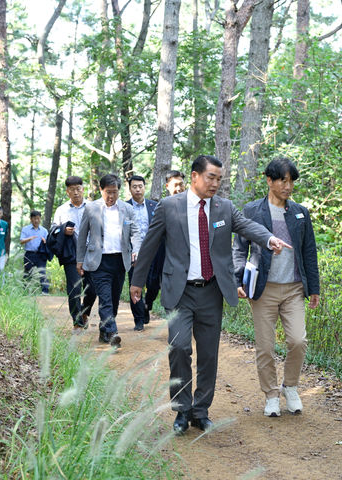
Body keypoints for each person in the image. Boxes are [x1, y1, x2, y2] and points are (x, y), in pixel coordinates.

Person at [130, 155, 292, 435]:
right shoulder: (170, 207)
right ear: (195, 176)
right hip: (180, 291)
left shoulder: (224, 208)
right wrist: (137, 281)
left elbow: (246, 226)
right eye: (210, 177)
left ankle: (200, 411)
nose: (216, 183)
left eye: (219, 178)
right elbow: (150, 244)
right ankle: (181, 410)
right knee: (179, 348)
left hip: (212, 290)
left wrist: (268, 238)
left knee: (208, 355)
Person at [232, 157, 320, 417]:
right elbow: (239, 248)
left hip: (293, 288)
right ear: (269, 180)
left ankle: (290, 387)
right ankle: (271, 395)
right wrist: (238, 280)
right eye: (283, 180)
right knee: (266, 346)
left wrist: (313, 288)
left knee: (298, 340)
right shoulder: (251, 211)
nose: (288, 185)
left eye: (291, 180)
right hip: (263, 289)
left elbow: (309, 252)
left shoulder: (300, 212)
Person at [77, 174, 141, 348]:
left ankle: (104, 330)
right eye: (108, 192)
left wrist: (136, 249)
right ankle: (112, 332)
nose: (111, 196)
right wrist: (79, 260)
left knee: (113, 299)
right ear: (101, 190)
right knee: (105, 299)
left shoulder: (127, 209)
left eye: (114, 192)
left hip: (120, 261)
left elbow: (135, 232)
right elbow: (82, 236)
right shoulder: (91, 208)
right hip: (99, 262)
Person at [53, 176, 96, 329]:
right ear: (67, 192)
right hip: (71, 254)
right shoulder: (61, 210)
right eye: (72, 190)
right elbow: (54, 230)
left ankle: (85, 311)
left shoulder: (93, 207)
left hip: (92, 253)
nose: (76, 192)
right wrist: (63, 230)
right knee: (74, 288)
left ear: (83, 189)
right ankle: (77, 322)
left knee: (93, 287)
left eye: (78, 189)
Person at [126, 175, 160, 331]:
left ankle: (148, 304)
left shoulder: (155, 206)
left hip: (154, 252)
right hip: (134, 253)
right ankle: (138, 319)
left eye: (140, 186)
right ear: (130, 188)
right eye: (134, 186)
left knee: (154, 284)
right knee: (135, 284)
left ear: (144, 187)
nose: (138, 189)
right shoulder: (124, 207)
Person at [20, 210, 50, 294]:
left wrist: (45, 241)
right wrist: (30, 238)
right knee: (27, 272)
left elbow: (49, 243)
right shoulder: (26, 229)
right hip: (29, 254)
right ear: (30, 219)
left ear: (40, 219)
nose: (36, 220)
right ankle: (25, 291)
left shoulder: (44, 230)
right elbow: (21, 241)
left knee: (42, 272)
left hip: (41, 254)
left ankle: (45, 291)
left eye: (38, 218)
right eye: (34, 218)